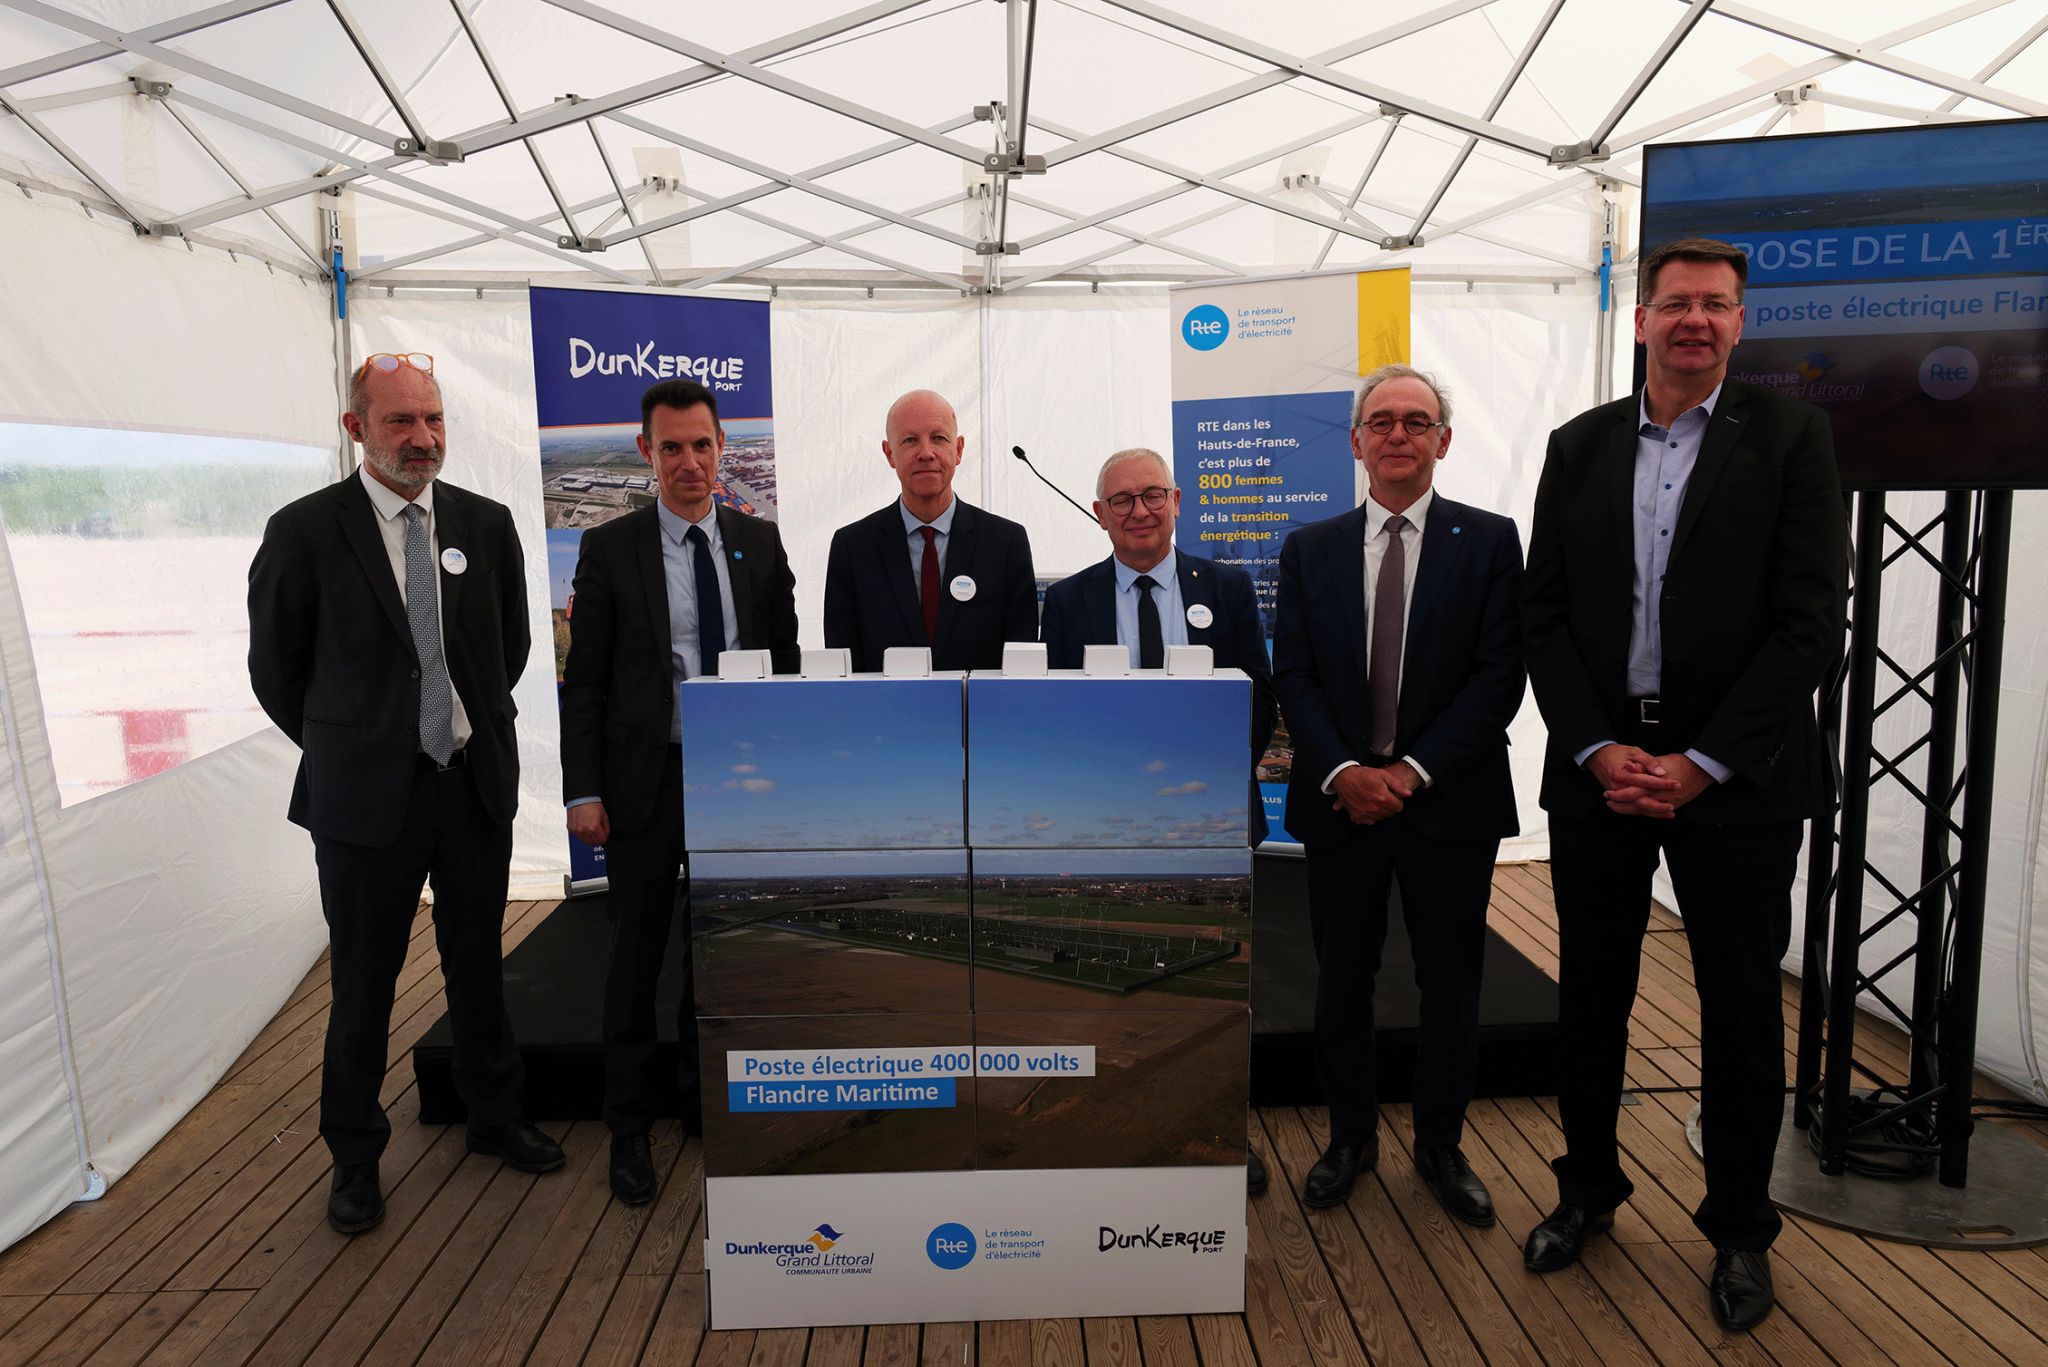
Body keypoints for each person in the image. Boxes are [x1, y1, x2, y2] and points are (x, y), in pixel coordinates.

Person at [1520, 237, 1848, 1332]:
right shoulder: (1578, 445)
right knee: (1591, 997)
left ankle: (1741, 1229)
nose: (1694, 320)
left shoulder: (1793, 439)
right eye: (1675, 303)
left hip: (1738, 781)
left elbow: (1810, 625)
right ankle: (1585, 1189)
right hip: (1600, 772)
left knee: (1741, 1008)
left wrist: (1700, 763)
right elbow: (1543, 614)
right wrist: (1592, 746)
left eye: (1715, 304)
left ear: (1740, 323)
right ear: (1642, 319)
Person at [248, 351, 562, 1236]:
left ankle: (493, 1115)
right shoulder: (304, 532)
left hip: (470, 786)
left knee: (478, 964)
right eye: (400, 421)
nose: (423, 438)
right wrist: (356, 747)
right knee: (363, 984)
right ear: (357, 429)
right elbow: (277, 672)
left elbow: (508, 651)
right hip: (364, 804)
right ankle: (354, 1155)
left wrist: (456, 730)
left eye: (433, 419)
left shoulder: (485, 524)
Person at [1271, 365, 1524, 1225]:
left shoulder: (1489, 541)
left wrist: (1410, 772)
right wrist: (1346, 772)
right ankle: (1350, 1138)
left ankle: (1441, 1145)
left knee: (1450, 983)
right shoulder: (1310, 548)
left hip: (1448, 801)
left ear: (1442, 441)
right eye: (1381, 421)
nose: (1398, 434)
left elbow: (1499, 676)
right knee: (1342, 976)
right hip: (1341, 801)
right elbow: (1294, 674)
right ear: (1356, 440)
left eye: (1417, 421)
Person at [559, 377, 799, 1205]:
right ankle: (628, 1122)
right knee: (635, 956)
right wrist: (582, 790)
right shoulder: (610, 548)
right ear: (646, 452)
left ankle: (703, 1100)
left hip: (739, 782)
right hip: (645, 780)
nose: (690, 462)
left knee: (722, 945)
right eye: (672, 448)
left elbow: (788, 669)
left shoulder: (759, 542)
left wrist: (787, 777)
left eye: (702, 444)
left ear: (721, 446)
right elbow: (584, 683)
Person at [1040, 445, 1279, 1193]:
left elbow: (1259, 696)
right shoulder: (1068, 600)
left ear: (1177, 501)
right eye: (1121, 500)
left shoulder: (1227, 586)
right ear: (1099, 513)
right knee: (1116, 988)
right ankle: (1120, 1130)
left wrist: (1207, 789)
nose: (1139, 511)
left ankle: (1220, 1132)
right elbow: (1058, 718)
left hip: (1213, 824)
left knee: (1214, 987)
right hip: (1108, 833)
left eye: (1152, 495)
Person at [822, 389, 1036, 671]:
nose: (926, 453)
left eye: (938, 438)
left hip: (977, 701)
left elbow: (1021, 664)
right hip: (888, 701)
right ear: (889, 453)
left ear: (958, 449)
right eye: (910, 440)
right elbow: (843, 666)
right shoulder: (852, 548)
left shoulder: (1005, 543)